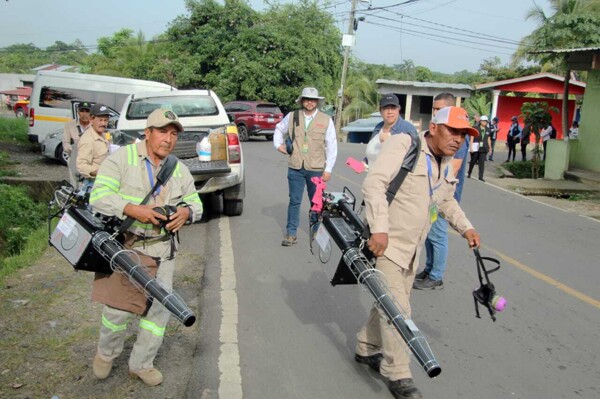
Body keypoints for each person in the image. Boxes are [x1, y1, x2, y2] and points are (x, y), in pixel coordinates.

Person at [355, 106, 481, 399]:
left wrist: (467, 228)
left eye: (464, 134)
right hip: (388, 245)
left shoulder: (445, 162)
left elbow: (446, 200)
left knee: (388, 303)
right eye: (453, 131)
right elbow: (374, 183)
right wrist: (379, 229)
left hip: (411, 252)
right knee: (398, 310)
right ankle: (397, 372)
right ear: (435, 127)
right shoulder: (405, 143)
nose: (458, 139)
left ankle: (365, 346)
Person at [88, 108, 203, 386]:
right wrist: (132, 209)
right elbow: (98, 196)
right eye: (163, 131)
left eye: (174, 134)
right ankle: (107, 353)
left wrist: (187, 213)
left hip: (163, 252)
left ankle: (141, 364)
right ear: (148, 133)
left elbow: (196, 203)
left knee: (158, 312)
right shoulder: (121, 159)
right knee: (118, 310)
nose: (168, 139)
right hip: (129, 250)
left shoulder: (179, 168)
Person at [413, 93, 469, 290]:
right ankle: (429, 269)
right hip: (431, 195)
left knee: (437, 234)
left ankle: (436, 275)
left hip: (440, 196)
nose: (434, 113)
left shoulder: (455, 139)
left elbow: (449, 172)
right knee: (428, 233)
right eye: (434, 109)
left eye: (439, 110)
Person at [273, 87, 337, 246]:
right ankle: (291, 233)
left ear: (317, 102)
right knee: (294, 201)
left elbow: (332, 145)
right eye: (307, 99)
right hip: (295, 167)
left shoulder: (326, 120)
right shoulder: (292, 116)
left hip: (316, 169)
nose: (310, 102)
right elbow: (279, 129)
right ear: (302, 100)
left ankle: (315, 230)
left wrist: (328, 169)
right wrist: (278, 145)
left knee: (316, 203)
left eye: (313, 99)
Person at [364, 93, 417, 166]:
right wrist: (364, 163)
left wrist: (390, 142)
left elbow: (413, 158)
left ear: (399, 109)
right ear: (380, 110)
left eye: (393, 108)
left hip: (393, 176)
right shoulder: (378, 128)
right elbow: (373, 154)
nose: (390, 112)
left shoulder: (408, 129)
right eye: (386, 108)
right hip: (373, 175)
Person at [76, 103, 111, 194]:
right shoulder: (87, 139)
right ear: (91, 119)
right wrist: (102, 172)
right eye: (100, 120)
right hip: (92, 187)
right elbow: (81, 166)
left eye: (106, 120)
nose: (103, 123)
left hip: (104, 184)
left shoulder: (102, 135)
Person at [63, 101, 92, 188]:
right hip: (75, 159)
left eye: (87, 111)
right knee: (75, 186)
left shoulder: (94, 126)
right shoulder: (69, 125)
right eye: (82, 111)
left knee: (88, 186)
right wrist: (74, 149)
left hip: (90, 161)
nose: (84, 114)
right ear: (78, 112)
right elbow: (65, 143)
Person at [467, 115, 491, 181]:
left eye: (486, 121)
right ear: (480, 121)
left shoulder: (488, 129)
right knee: (473, 161)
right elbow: (472, 137)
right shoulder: (475, 128)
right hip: (476, 147)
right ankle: (469, 173)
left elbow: (489, 139)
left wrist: (490, 147)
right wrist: (471, 147)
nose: (484, 122)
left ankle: (480, 177)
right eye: (483, 121)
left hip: (484, 148)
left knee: (482, 163)